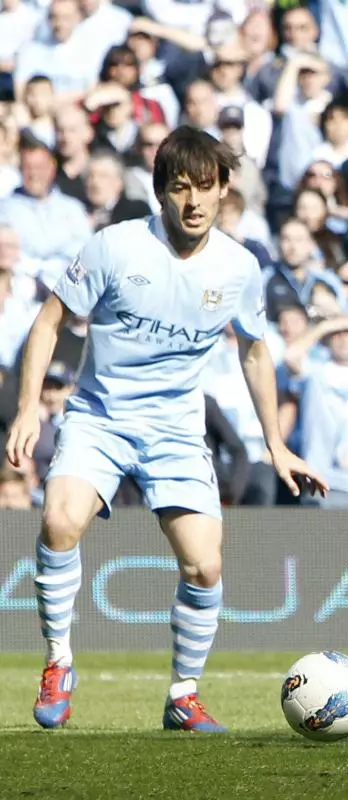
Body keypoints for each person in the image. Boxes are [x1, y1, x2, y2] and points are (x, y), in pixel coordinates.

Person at [3, 126, 327, 733]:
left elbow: (256, 353)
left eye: (207, 187)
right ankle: (58, 662)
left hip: (176, 429)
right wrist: (27, 408)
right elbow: (47, 325)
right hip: (100, 417)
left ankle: (183, 695)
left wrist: (275, 443)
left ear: (226, 189)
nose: (195, 202)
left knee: (205, 566)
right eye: (181, 188)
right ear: (160, 193)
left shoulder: (238, 267)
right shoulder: (114, 247)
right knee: (58, 519)